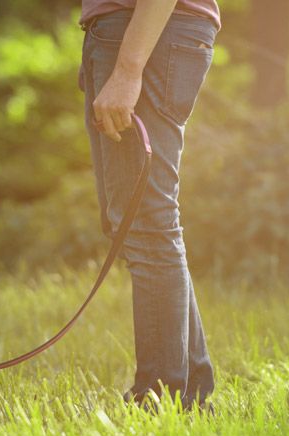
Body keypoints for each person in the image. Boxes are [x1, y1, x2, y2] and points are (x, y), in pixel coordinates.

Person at [80, 0, 220, 410]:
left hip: (147, 31)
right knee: (136, 221)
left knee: (147, 224)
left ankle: (159, 398)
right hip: (131, 31)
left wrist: (126, 69)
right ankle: (189, 392)